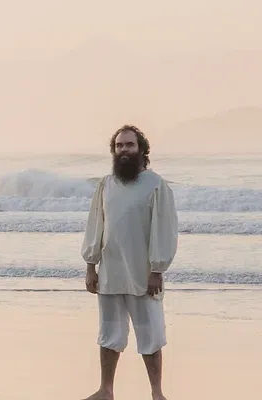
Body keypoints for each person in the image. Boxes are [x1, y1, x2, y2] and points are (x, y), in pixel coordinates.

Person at [80, 125, 178, 400]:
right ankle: (106, 390)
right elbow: (96, 226)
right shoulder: (106, 184)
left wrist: (157, 269)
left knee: (150, 334)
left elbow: (164, 229)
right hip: (110, 272)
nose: (124, 150)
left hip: (143, 274)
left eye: (130, 145)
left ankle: (157, 393)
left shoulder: (155, 185)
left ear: (141, 149)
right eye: (119, 145)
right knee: (109, 333)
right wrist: (90, 266)